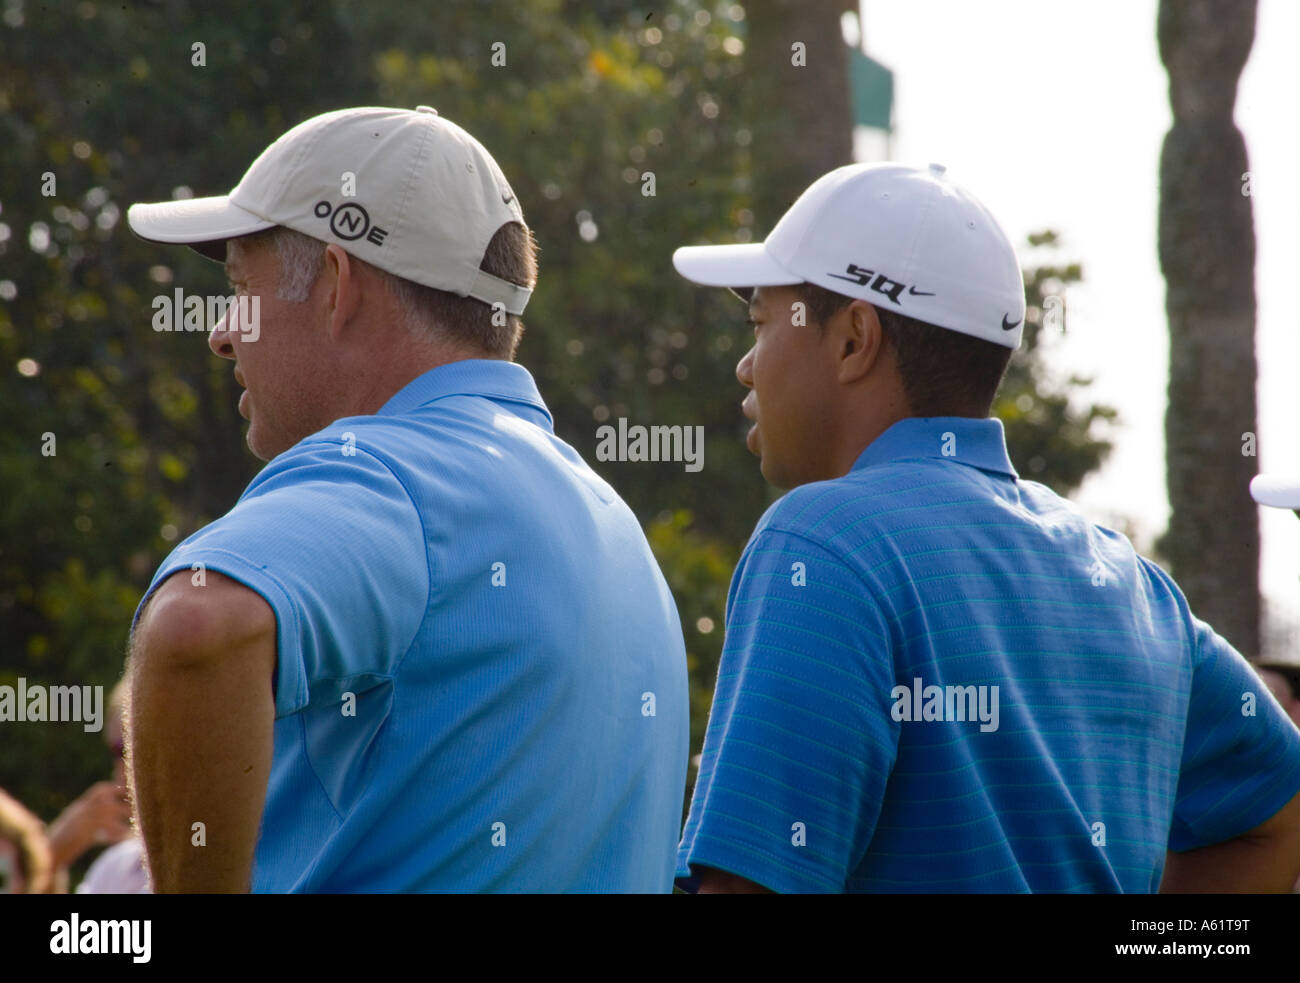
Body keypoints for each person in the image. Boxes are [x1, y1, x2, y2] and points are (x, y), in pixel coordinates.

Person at [670, 161, 1300, 893]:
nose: (747, 366)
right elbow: (1279, 813)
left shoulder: (821, 543)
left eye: (760, 323)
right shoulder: (1130, 582)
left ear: (853, 340)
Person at [123, 106, 688, 892]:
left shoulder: (383, 468)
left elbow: (196, 622)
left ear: (335, 281)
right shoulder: (611, 520)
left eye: (239, 285)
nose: (222, 333)